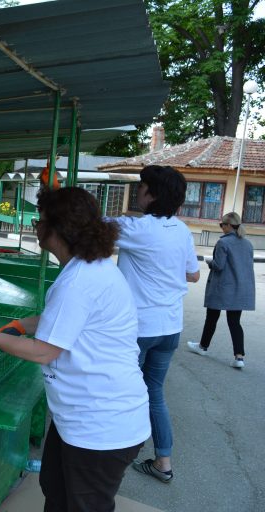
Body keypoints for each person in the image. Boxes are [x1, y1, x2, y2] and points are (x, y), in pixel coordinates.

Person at [0, 187, 149, 512]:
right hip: (80, 418)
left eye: (40, 219)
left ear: (58, 228)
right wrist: (19, 325)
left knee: (82, 505)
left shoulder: (80, 281)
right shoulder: (88, 268)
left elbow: (43, 352)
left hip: (101, 426)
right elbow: (62, 320)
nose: (35, 224)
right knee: (55, 490)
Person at [107, 165, 200, 484]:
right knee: (154, 393)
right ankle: (163, 460)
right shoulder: (183, 230)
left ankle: (110, 456)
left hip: (138, 329)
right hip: (170, 327)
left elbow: (86, 223)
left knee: (120, 389)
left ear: (153, 194)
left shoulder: (136, 228)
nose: (138, 191)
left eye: (142, 186)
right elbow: (193, 273)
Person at [187, 212, 255, 368]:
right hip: (239, 288)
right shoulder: (248, 244)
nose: (221, 227)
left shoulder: (223, 243)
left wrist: (209, 262)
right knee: (234, 322)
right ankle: (239, 357)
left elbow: (219, 265)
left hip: (221, 287)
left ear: (229, 225)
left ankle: (203, 347)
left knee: (211, 317)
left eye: (222, 224)